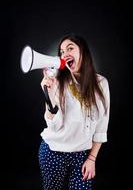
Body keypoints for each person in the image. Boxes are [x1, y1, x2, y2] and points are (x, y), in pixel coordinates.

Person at [38, 33, 110, 190]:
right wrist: (50, 95)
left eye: (70, 48)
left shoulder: (101, 83)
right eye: (62, 52)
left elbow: (101, 127)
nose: (64, 54)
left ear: (82, 51)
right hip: (53, 153)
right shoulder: (58, 82)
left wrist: (92, 159)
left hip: (82, 155)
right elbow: (53, 126)